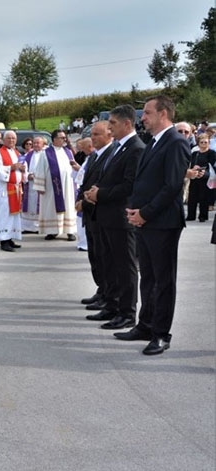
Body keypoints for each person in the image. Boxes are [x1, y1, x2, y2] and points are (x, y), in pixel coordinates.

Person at [117, 95, 190, 355]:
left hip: (163, 223)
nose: (142, 118)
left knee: (163, 281)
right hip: (146, 221)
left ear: (163, 114)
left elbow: (172, 186)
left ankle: (161, 333)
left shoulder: (176, 142)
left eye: (147, 113)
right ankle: (145, 325)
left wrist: (145, 213)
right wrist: (136, 210)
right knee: (147, 278)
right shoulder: (154, 141)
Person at [86, 105, 145, 331]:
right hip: (107, 216)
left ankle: (127, 312)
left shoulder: (136, 148)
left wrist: (100, 193)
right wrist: (95, 191)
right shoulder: (120, 148)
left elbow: (129, 186)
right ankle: (112, 306)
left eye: (113, 124)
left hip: (121, 219)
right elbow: (109, 178)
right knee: (110, 264)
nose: (109, 128)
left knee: (125, 267)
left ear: (127, 124)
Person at [76, 122, 114, 315]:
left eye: (97, 134)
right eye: (92, 134)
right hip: (90, 214)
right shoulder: (94, 156)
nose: (94, 138)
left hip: (99, 212)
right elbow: (85, 182)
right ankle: (101, 289)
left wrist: (86, 202)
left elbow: (101, 185)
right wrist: (79, 199)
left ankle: (107, 294)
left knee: (103, 257)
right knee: (95, 256)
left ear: (109, 134)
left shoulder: (111, 154)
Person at [33, 129, 78, 241]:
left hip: (67, 186)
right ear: (54, 139)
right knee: (51, 208)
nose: (64, 140)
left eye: (64, 138)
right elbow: (40, 170)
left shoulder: (68, 152)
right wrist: (40, 186)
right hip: (51, 188)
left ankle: (69, 231)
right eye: (61, 138)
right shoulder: (45, 153)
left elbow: (73, 167)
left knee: (68, 206)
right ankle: (52, 231)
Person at [0, 130, 25, 251]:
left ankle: (10, 238)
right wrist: (11, 168)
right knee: (5, 215)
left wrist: (24, 169)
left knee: (13, 216)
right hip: (5, 189)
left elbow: (21, 166)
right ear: (4, 140)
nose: (11, 141)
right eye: (9, 138)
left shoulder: (16, 152)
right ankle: (4, 240)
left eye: (13, 138)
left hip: (16, 188)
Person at [185, 134, 215, 222]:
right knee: (192, 196)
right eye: (201, 142)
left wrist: (204, 171)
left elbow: (212, 166)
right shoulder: (195, 153)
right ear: (198, 144)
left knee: (203, 197)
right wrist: (193, 168)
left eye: (205, 142)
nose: (203, 144)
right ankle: (191, 215)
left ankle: (203, 215)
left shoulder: (212, 153)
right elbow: (191, 163)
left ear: (209, 143)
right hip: (195, 176)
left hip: (205, 177)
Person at [20, 136, 45, 233]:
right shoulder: (28, 155)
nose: (35, 145)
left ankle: (39, 227)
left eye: (38, 143)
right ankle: (28, 227)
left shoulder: (46, 155)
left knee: (41, 205)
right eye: (34, 143)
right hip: (30, 185)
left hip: (42, 185)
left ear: (43, 144)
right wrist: (27, 175)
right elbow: (23, 168)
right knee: (30, 204)